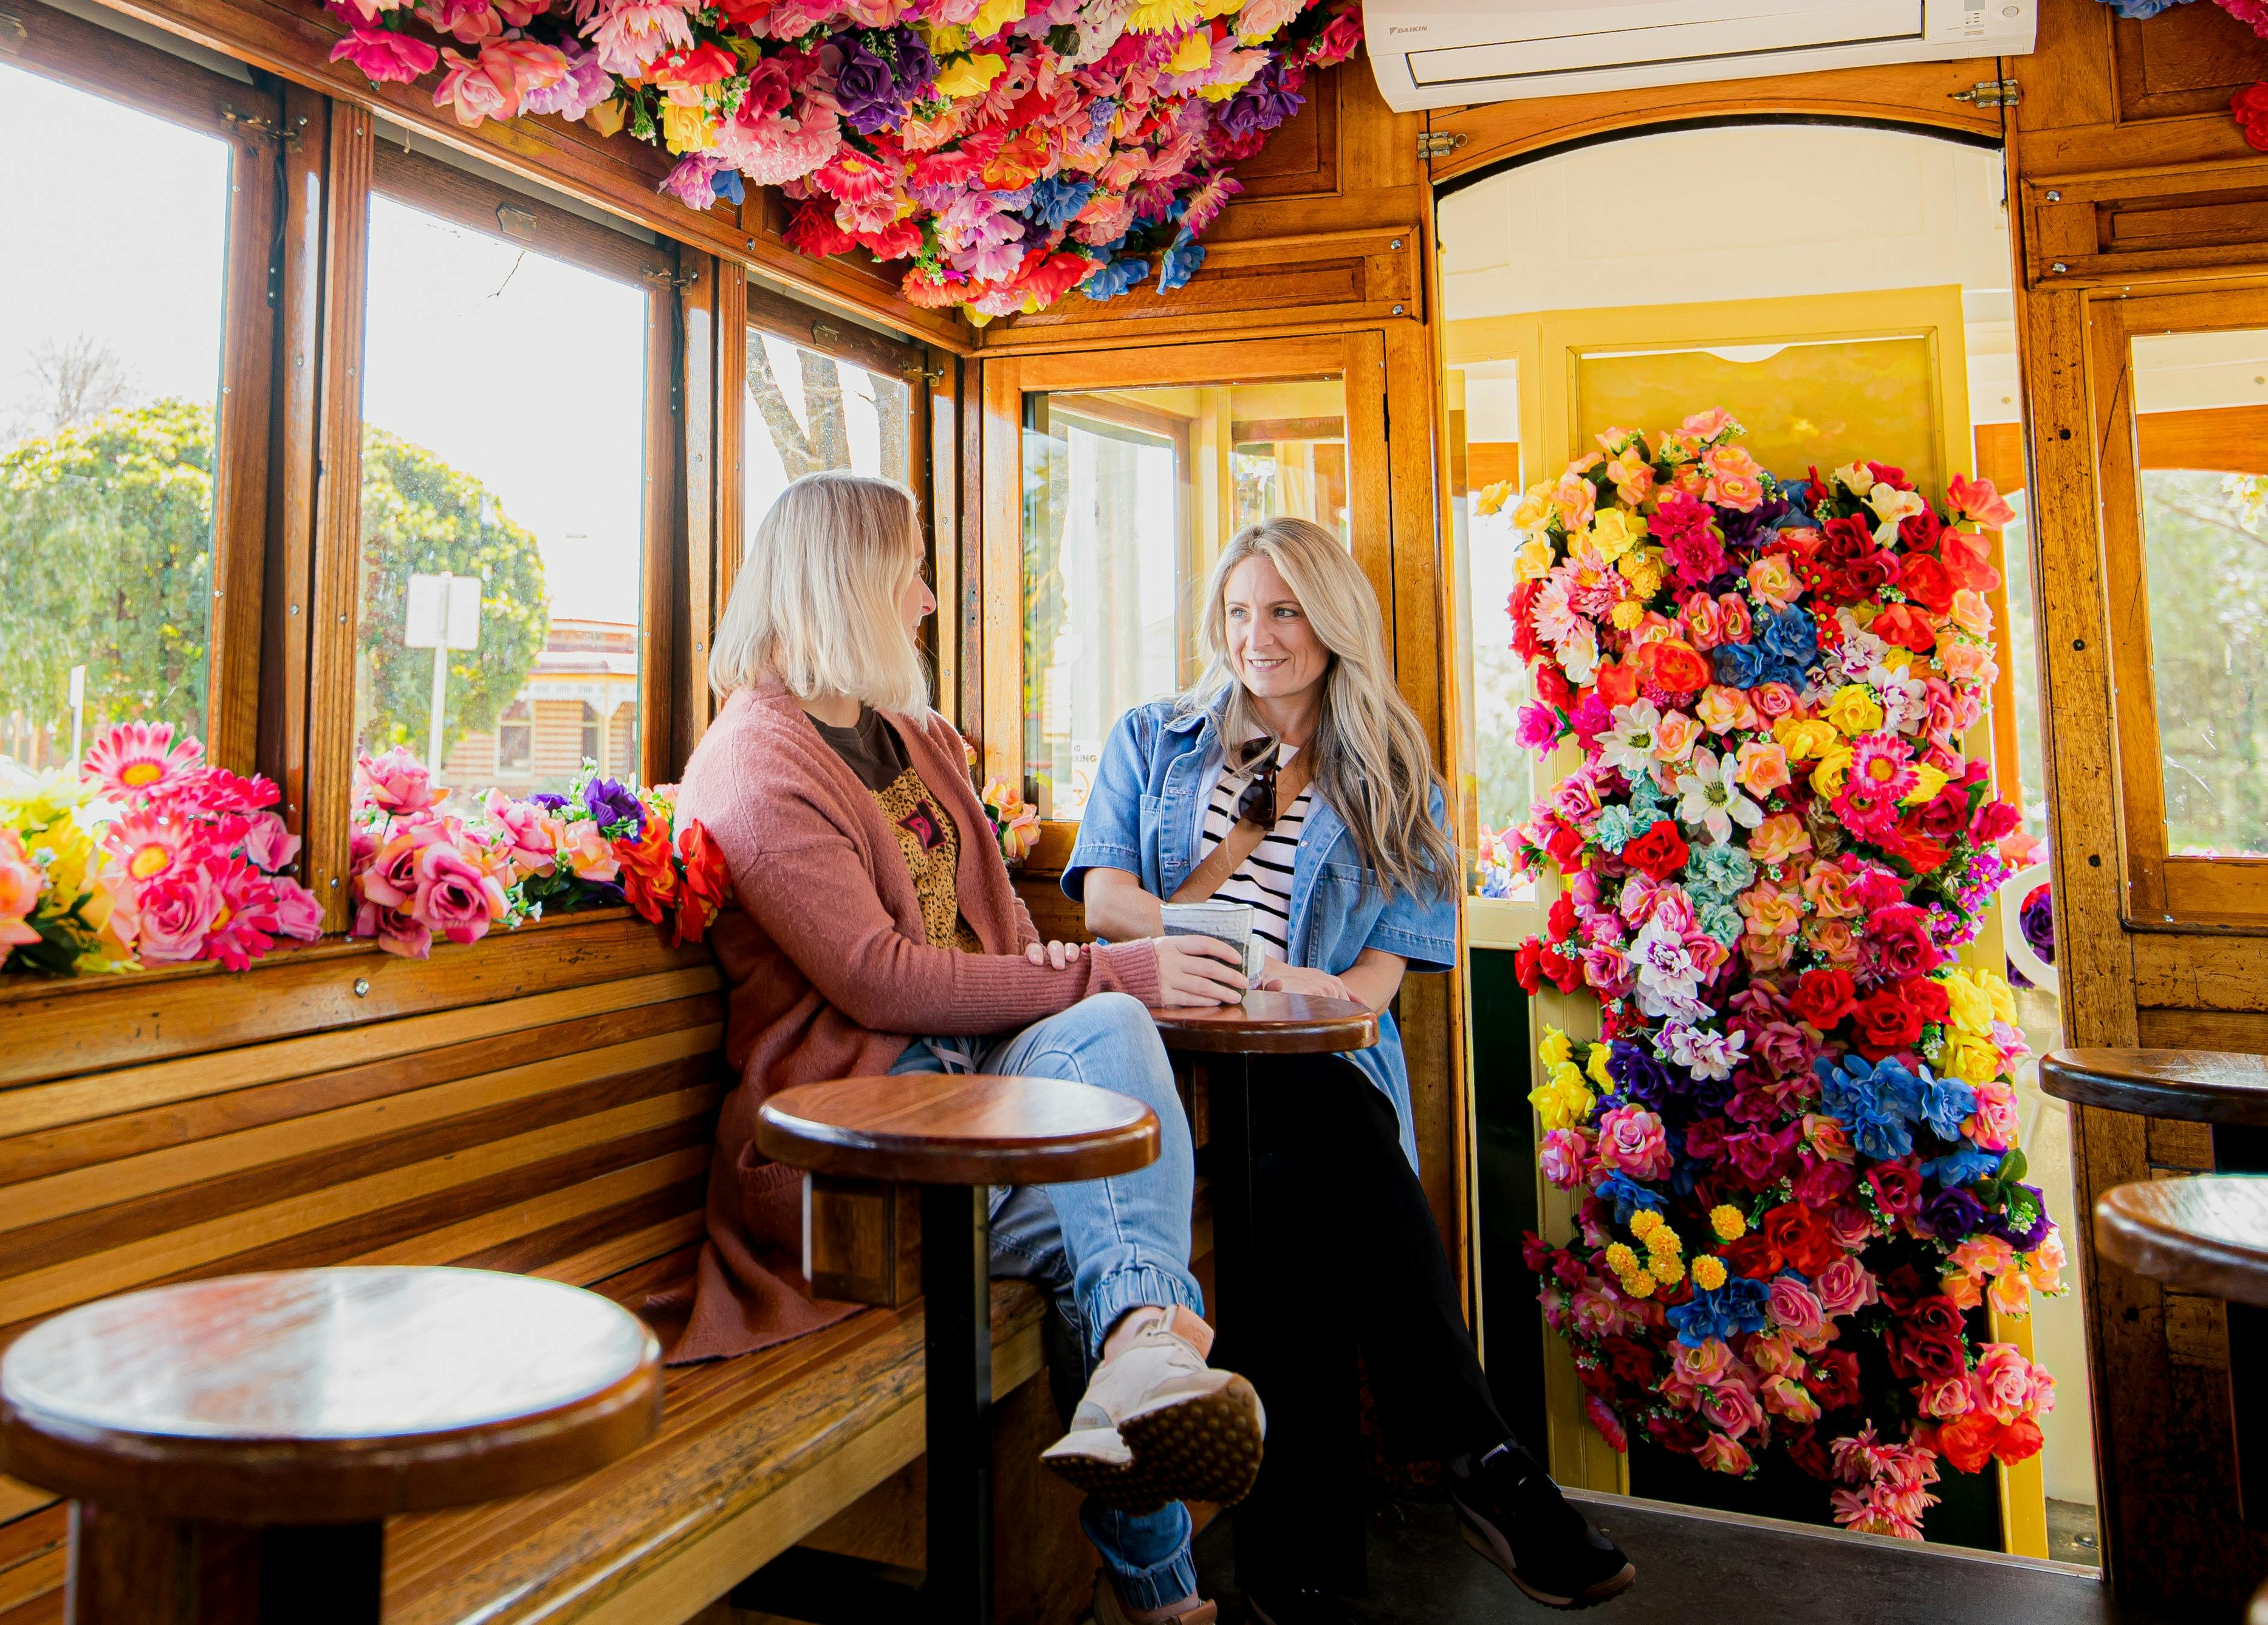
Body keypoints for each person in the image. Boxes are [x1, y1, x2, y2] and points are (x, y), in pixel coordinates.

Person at [666, 470, 1262, 1625]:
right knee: (1116, 1193)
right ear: (846, 585)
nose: (930, 598)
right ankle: (1159, 1577)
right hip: (855, 1154)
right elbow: (876, 977)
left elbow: (1007, 932)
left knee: (1116, 1195)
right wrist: (1114, 966)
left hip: (971, 1110)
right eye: (912, 573)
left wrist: (1092, 983)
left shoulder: (916, 735)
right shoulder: (756, 763)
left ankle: (1144, 1365)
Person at [1069, 518, 1634, 1620]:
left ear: (1332, 623)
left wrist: (1325, 994)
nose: (1258, 637)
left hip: (1308, 1069)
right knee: (1316, 1132)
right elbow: (1103, 901)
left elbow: (1386, 972)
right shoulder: (1157, 737)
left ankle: (1304, 1581)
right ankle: (1480, 1454)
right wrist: (1242, 959)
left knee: (1299, 1199)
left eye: (1283, 611)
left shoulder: (1390, 767)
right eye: (1240, 612)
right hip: (1172, 1061)